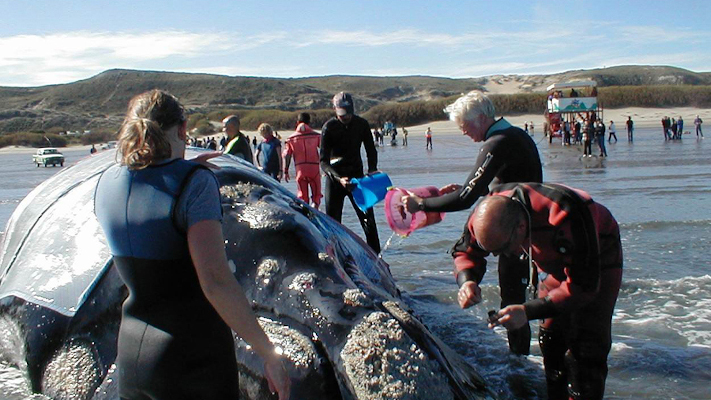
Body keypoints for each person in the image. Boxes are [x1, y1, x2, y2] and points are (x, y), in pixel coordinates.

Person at [94, 90, 290, 400]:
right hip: (192, 359)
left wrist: (184, 170)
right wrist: (269, 353)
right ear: (184, 129)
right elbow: (214, 281)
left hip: (132, 355)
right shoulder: (195, 183)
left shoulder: (106, 181)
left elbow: (151, 205)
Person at [402, 91, 542, 355]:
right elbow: (510, 184)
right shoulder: (515, 135)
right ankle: (522, 361)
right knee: (518, 297)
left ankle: (519, 367)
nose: (463, 131)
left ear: (480, 118)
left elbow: (465, 199)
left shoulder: (497, 142)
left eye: (464, 125)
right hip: (527, 227)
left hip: (514, 232)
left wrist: (420, 204)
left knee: (512, 298)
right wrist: (477, 189)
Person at [453, 182, 622, 400]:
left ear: (521, 228)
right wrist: (468, 281)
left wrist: (527, 311)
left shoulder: (565, 212)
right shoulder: (487, 214)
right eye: (492, 251)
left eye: (503, 249)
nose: (500, 256)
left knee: (588, 348)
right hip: (553, 260)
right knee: (551, 340)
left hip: (598, 254)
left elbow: (583, 287)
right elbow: (464, 251)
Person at [320, 92, 381, 253]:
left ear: (352, 109)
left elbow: (370, 149)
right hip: (335, 181)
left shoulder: (361, 124)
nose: (344, 117)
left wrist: (373, 169)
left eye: (347, 113)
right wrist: (339, 179)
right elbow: (323, 162)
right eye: (341, 114)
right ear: (335, 110)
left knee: (369, 223)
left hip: (358, 180)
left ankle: (377, 258)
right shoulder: (329, 127)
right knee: (332, 224)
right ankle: (335, 255)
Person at [283, 112, 322, 208]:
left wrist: (286, 170)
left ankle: (306, 215)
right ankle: (315, 209)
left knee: (302, 196)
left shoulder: (291, 138)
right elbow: (325, 150)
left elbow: (287, 155)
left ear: (297, 122)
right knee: (316, 195)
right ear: (309, 122)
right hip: (314, 168)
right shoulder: (316, 136)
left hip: (300, 169)